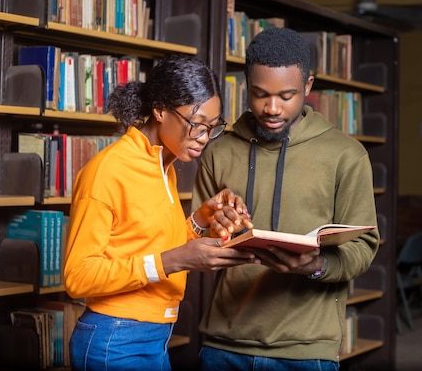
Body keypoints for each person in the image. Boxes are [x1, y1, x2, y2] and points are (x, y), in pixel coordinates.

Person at [193, 27, 380, 370]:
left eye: (287, 95)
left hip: (306, 351)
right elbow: (192, 238)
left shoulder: (346, 155)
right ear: (246, 84)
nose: (272, 108)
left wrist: (316, 266)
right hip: (222, 344)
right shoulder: (219, 151)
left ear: (308, 87)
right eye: (260, 94)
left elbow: (364, 246)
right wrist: (210, 229)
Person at [63, 54, 256, 371]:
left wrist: (199, 220)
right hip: (115, 338)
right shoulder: (108, 171)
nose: (204, 138)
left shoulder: (164, 167)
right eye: (196, 125)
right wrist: (177, 260)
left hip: (154, 338)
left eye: (213, 127)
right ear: (160, 110)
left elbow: (146, 244)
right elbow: (77, 276)